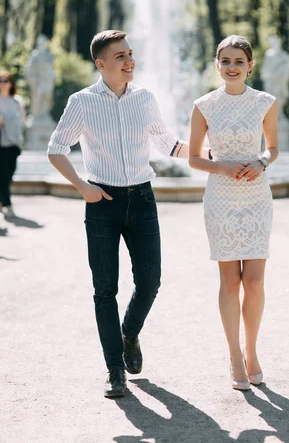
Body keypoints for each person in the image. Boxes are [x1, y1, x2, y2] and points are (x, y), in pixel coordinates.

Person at [48, 30, 210, 398]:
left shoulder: (145, 99)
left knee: (150, 281)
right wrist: (83, 188)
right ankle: (114, 370)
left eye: (131, 54)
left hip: (142, 200)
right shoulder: (82, 102)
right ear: (101, 64)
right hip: (101, 203)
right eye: (120, 56)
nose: (129, 60)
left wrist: (211, 154)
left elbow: (169, 145)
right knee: (105, 290)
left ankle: (129, 333)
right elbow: (56, 149)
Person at [189, 35, 278, 391]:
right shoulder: (204, 105)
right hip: (222, 198)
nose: (231, 67)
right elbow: (195, 158)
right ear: (217, 65)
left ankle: (252, 351)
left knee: (254, 283)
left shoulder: (265, 102)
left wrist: (261, 162)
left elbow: (273, 148)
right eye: (225, 61)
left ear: (250, 66)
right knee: (230, 282)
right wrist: (223, 166)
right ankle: (234, 355)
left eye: (238, 61)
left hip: (257, 196)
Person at [0, 71, 25, 219]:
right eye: (0, 81)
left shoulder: (17, 101)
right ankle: (7, 204)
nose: (3, 83)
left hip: (13, 144)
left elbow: (21, 121)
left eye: (5, 80)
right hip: (0, 144)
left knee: (8, 175)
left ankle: (2, 201)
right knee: (2, 176)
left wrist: (6, 120)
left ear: (11, 83)